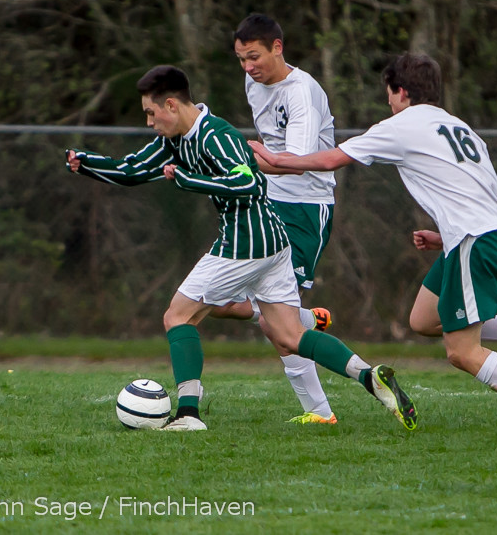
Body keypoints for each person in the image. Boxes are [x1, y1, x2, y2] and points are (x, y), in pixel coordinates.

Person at [65, 64, 418, 432]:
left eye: (151, 113)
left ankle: (188, 415)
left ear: (171, 105)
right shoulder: (175, 140)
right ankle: (369, 377)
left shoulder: (216, 136)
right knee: (289, 335)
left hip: (246, 241)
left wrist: (189, 180)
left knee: (177, 316)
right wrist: (86, 164)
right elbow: (132, 170)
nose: (150, 123)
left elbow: (249, 184)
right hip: (272, 242)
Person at [252, 53, 497, 439]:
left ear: (402, 91)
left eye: (389, 93)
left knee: (461, 351)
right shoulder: (461, 128)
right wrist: (447, 237)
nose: (388, 102)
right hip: (482, 233)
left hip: (474, 239)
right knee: (424, 319)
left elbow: (332, 159)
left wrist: (277, 159)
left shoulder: (402, 124)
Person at [206, 13, 339, 425]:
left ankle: (319, 414)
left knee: (277, 328)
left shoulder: (301, 93)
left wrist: (244, 156)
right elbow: (269, 152)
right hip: (265, 198)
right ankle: (306, 318)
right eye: (241, 59)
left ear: (277, 48)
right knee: (216, 299)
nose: (247, 67)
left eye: (254, 57)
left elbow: (295, 163)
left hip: (304, 207)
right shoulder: (254, 81)